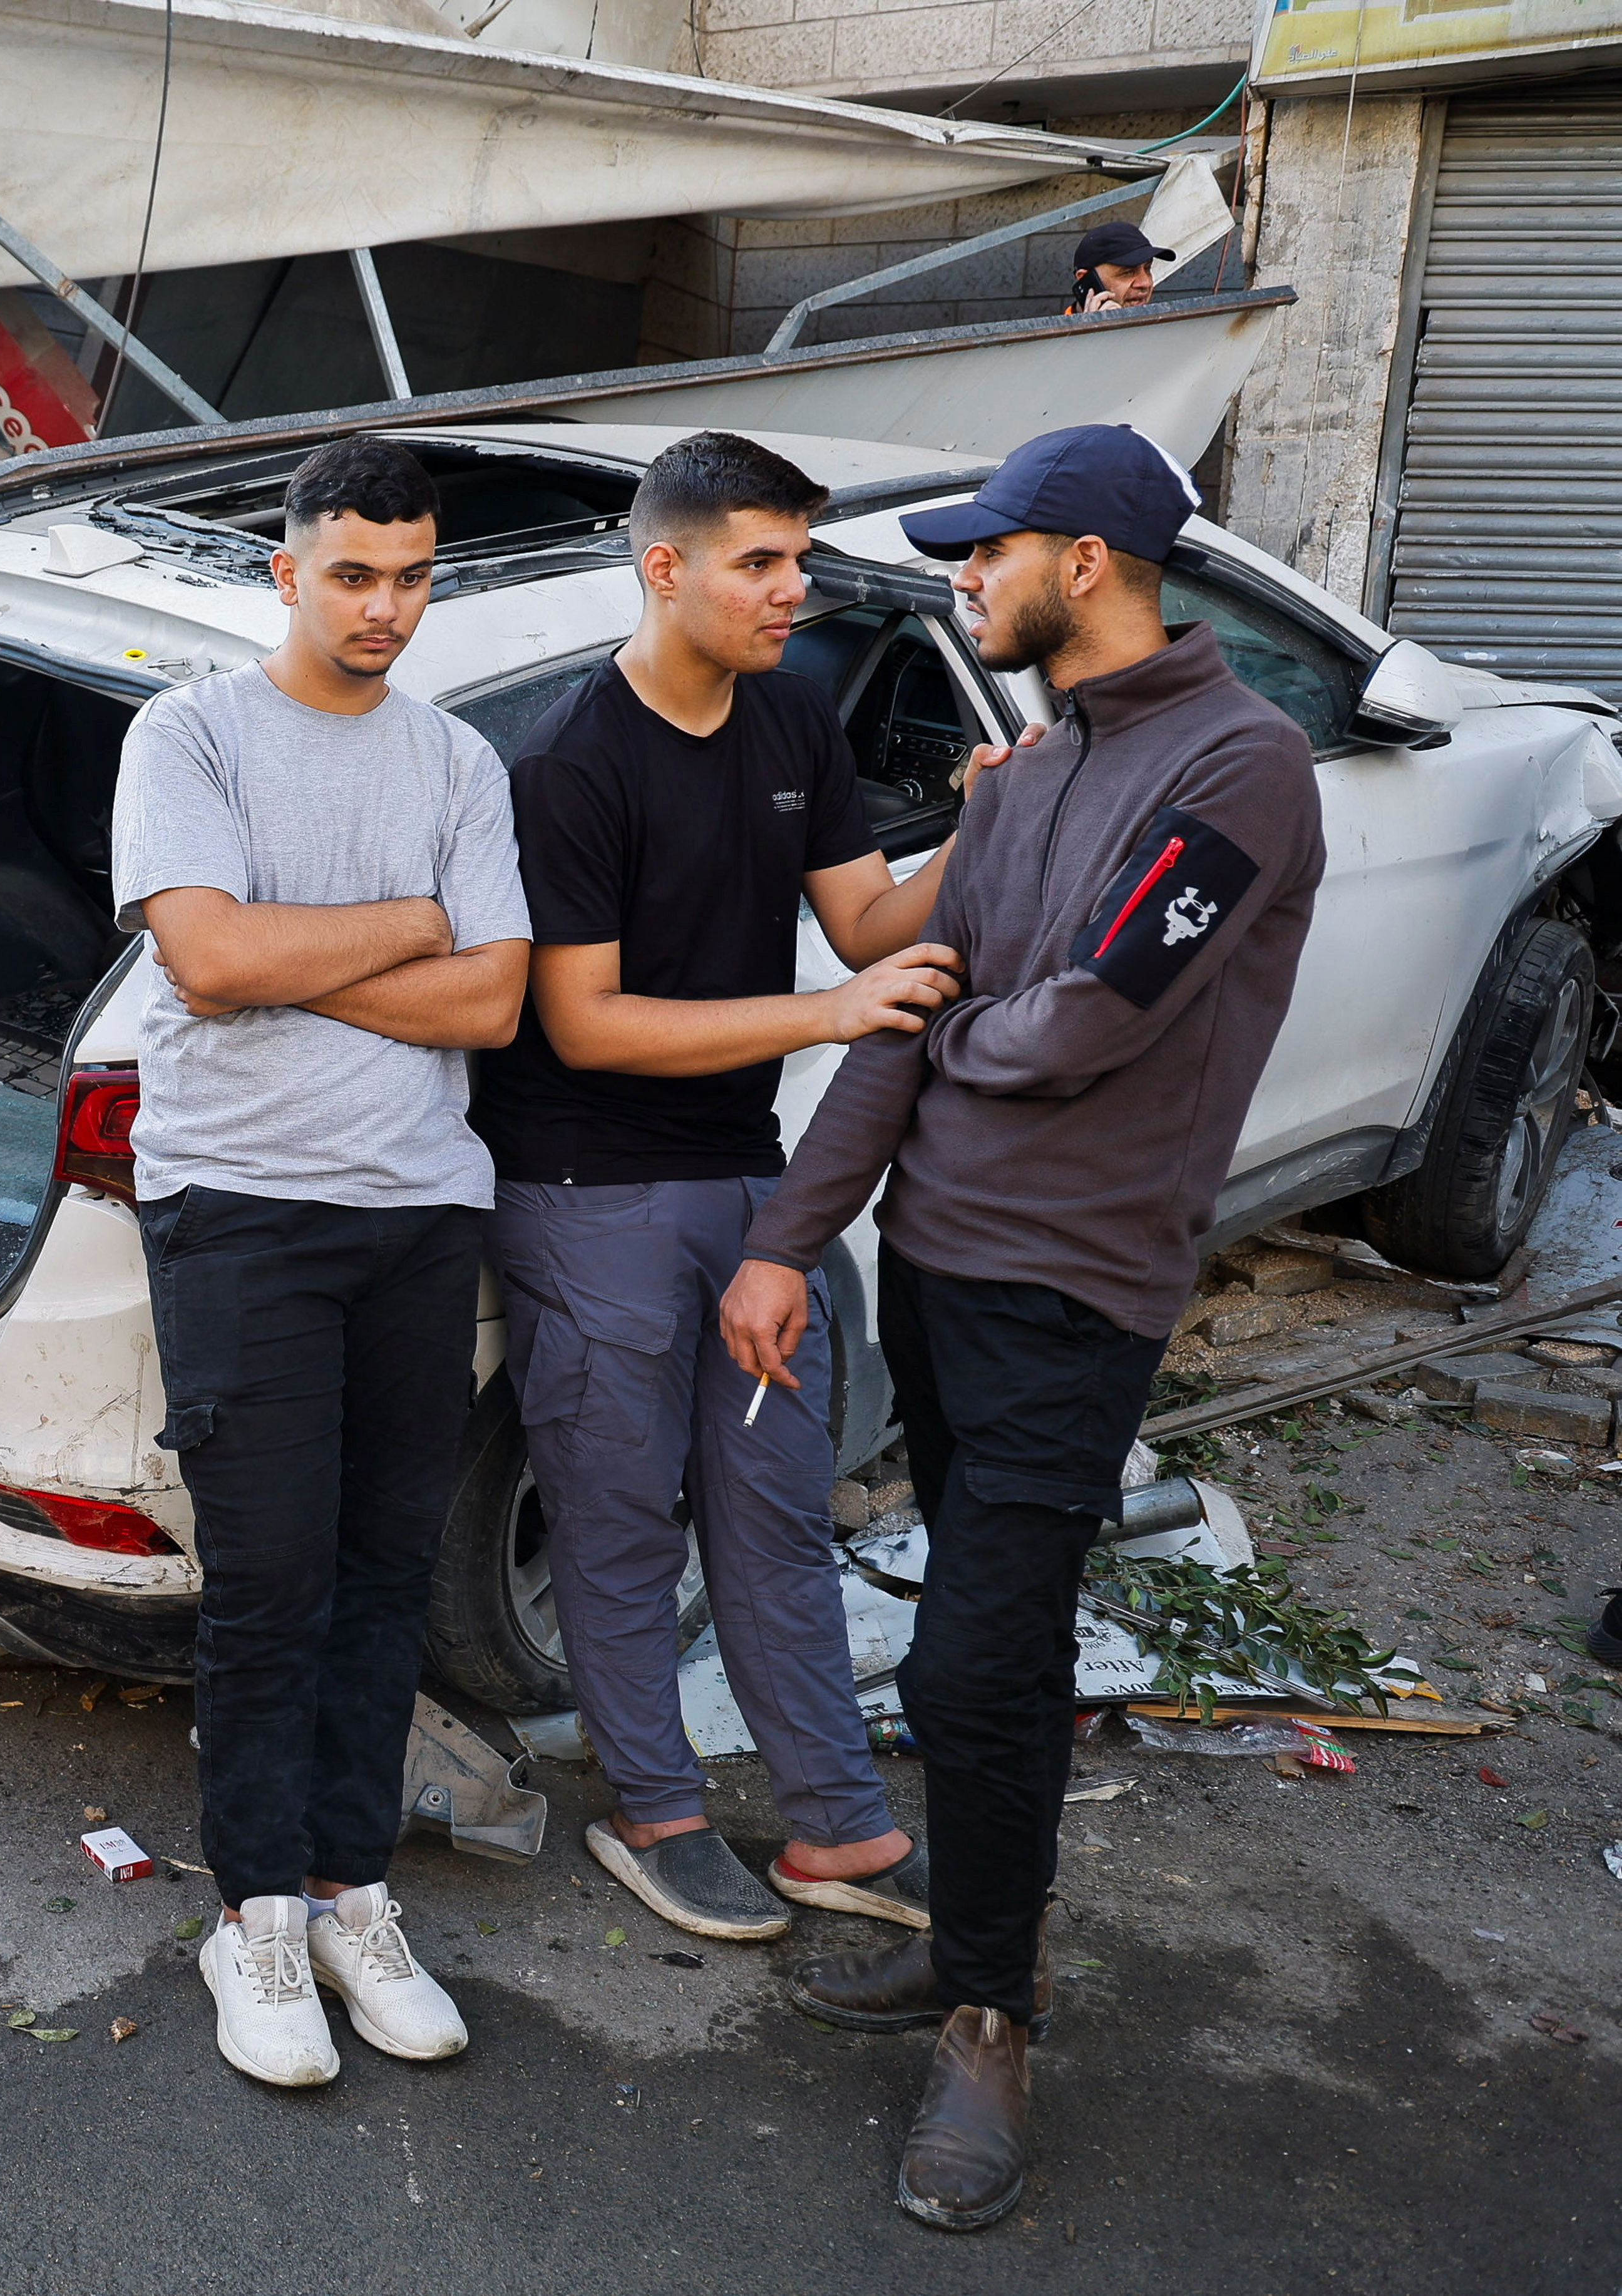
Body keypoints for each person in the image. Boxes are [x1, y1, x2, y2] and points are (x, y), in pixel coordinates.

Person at [719, 425, 1322, 2231]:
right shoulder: (1031, 772)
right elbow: (908, 1020)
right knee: (976, 1637)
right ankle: (969, 1940)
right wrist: (779, 1242)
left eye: (985, 554)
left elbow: (1079, 1027)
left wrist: (950, 1040)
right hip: (944, 1272)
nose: (959, 581)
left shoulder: (1243, 773)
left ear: (1085, 558)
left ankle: (991, 2011)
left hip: (1080, 1290)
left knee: (980, 1658)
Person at [478, 431, 984, 1947]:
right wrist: (825, 1018)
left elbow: (864, 915)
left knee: (772, 1504)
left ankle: (835, 1824)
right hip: (587, 1190)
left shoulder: (789, 726)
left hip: (745, 1188)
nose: (790, 591)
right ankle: (657, 1809)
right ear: (664, 566)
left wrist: (991, 820)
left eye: (796, 561)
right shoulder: (570, 765)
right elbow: (585, 1021)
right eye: (758, 562)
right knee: (619, 1517)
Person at [111, 437, 532, 2088]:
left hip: (420, 1215)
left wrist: (293, 960)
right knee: (271, 1574)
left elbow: (492, 1002)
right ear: (284, 570)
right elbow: (202, 955)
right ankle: (254, 1914)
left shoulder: (457, 762)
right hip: (239, 1211)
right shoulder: (190, 733)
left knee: (380, 1570)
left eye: (411, 575)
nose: (382, 605)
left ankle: (355, 1887)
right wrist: (406, 922)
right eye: (351, 573)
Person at [1065, 220, 1171, 317]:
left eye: (1148, 269)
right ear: (1085, 278)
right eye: (1128, 273)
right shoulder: (1057, 335)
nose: (1146, 283)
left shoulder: (1166, 331)